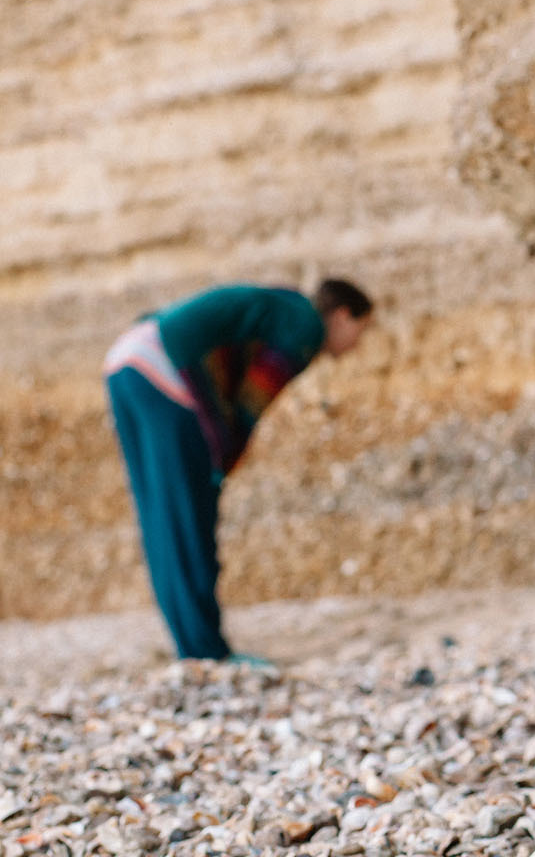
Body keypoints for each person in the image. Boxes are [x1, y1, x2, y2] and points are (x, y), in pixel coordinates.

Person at [103, 279, 374, 665]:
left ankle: (193, 648)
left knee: (161, 517)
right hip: (163, 369)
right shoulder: (306, 325)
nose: (357, 346)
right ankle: (206, 652)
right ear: (343, 316)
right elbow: (254, 399)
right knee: (190, 519)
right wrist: (222, 459)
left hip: (125, 360)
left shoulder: (283, 305)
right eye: (361, 330)